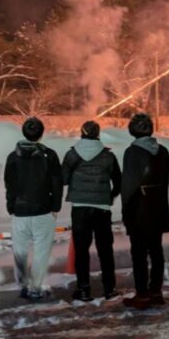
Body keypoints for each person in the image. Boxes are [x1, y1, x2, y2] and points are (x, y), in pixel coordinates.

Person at [62, 120, 122, 302]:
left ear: (81, 132)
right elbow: (118, 181)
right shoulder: (108, 156)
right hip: (102, 208)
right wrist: (110, 196)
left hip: (79, 208)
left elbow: (63, 179)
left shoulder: (72, 154)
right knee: (105, 249)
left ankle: (83, 289)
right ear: (98, 134)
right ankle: (109, 288)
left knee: (81, 249)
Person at [4, 117, 63, 301]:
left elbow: (9, 184)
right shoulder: (49, 155)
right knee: (41, 251)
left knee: (20, 250)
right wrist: (56, 206)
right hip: (43, 210)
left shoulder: (13, 156)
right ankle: (35, 288)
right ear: (41, 133)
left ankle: (23, 285)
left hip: (20, 211)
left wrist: (11, 205)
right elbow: (57, 182)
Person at [121, 113, 169, 309]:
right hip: (158, 206)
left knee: (139, 253)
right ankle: (156, 291)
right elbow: (165, 181)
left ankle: (142, 294)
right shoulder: (163, 151)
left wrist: (127, 211)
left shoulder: (132, 152)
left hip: (138, 208)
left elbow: (129, 185)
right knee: (156, 250)